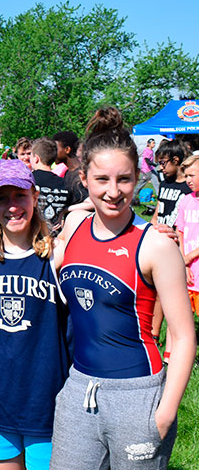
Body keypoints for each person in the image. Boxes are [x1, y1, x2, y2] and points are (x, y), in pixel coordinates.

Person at [51, 107, 196, 469]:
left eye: (125, 180)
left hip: (138, 396)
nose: (114, 192)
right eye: (102, 179)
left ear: (138, 180)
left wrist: (164, 412)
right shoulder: (73, 225)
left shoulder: (157, 245)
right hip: (78, 391)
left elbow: (182, 337)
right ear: (83, 178)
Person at [0, 159, 71, 470]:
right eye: (1, 198)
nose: (12, 206)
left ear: (35, 197)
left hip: (46, 403)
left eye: (19, 195)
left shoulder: (57, 255)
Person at [148, 140, 191, 363]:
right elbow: (158, 210)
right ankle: (153, 335)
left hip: (174, 243)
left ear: (176, 161)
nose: (160, 169)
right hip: (158, 237)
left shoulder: (188, 188)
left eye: (163, 163)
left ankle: (167, 339)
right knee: (153, 291)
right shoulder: (165, 183)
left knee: (167, 294)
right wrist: (151, 227)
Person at [30, 137, 73, 231]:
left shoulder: (29, 181)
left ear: (36, 158)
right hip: (57, 237)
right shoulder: (65, 183)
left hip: (33, 235)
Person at [176, 155, 199, 317]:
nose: (188, 180)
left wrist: (189, 257)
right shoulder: (185, 200)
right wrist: (183, 262)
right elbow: (180, 232)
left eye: (192, 175)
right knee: (183, 316)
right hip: (188, 269)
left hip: (193, 261)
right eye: (186, 176)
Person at [53, 131, 87, 203]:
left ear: (67, 150)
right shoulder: (68, 173)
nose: (53, 153)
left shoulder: (80, 176)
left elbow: (88, 203)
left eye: (56, 149)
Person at [133, 138, 158, 203]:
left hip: (151, 169)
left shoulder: (151, 151)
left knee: (156, 183)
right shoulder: (146, 151)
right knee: (141, 184)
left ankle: (159, 197)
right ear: (148, 144)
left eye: (154, 143)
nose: (154, 144)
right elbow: (147, 160)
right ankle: (132, 197)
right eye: (153, 143)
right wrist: (154, 164)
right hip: (146, 171)